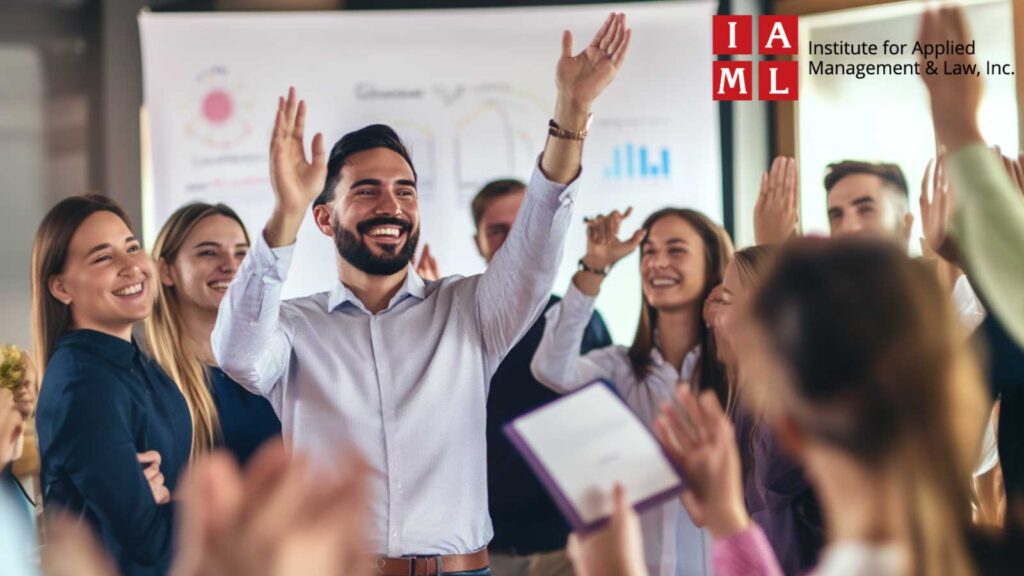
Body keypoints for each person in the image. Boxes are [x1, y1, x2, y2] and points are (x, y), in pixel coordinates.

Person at [211, 13, 631, 575]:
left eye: (404, 190)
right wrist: (282, 214)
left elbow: (534, 249)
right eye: (366, 190)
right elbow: (236, 352)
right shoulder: (292, 328)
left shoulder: (469, 311)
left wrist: (572, 112)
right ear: (323, 218)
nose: (391, 205)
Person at [531, 206, 732, 576]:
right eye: (649, 251)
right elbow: (550, 368)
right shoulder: (618, 366)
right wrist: (595, 266)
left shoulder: (735, 375)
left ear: (712, 264)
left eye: (676, 250)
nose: (657, 263)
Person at [459, 178, 613, 576]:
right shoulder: (453, 323)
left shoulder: (580, 322)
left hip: (567, 546)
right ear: (477, 241)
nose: (511, 242)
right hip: (481, 548)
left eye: (521, 228)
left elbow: (606, 428)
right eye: (497, 231)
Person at [33, 194, 191, 576]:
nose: (132, 266)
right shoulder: (84, 384)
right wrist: (198, 506)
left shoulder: (136, 363)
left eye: (132, 247)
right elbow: (150, 544)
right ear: (61, 288)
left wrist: (168, 501)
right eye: (103, 257)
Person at [710, 246, 824, 573]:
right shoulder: (746, 393)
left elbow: (773, 483)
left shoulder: (796, 391)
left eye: (727, 301)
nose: (716, 316)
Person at [145, 202, 281, 465]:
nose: (231, 266)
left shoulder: (275, 369)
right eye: (208, 253)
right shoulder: (148, 383)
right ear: (166, 271)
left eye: (242, 254)